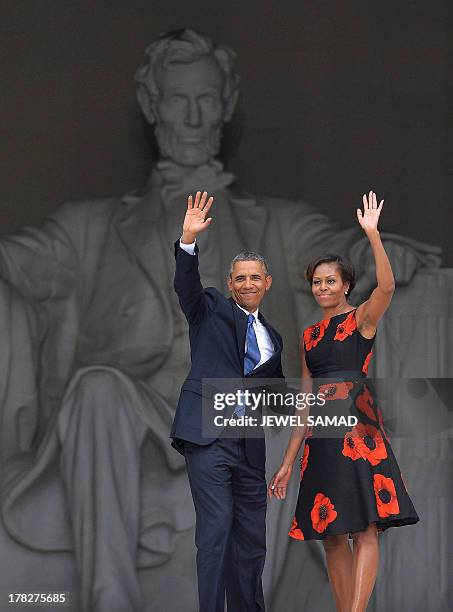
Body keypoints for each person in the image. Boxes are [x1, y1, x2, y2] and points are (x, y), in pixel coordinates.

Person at [268, 190, 420, 612]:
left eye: (330, 280)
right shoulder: (309, 336)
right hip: (320, 437)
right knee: (332, 532)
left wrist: (372, 234)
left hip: (358, 430)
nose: (322, 287)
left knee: (365, 527)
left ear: (346, 285)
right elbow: (303, 403)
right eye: (316, 282)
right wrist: (285, 462)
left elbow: (387, 286)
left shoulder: (361, 319)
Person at [172, 190, 284, 612]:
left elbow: (275, 401)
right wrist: (188, 240)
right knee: (216, 532)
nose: (248, 284)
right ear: (230, 283)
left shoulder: (273, 338)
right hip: (208, 438)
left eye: (256, 277)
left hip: (248, 446)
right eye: (240, 278)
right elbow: (186, 287)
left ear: (266, 283)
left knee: (252, 541)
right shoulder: (211, 308)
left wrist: (333, 401)